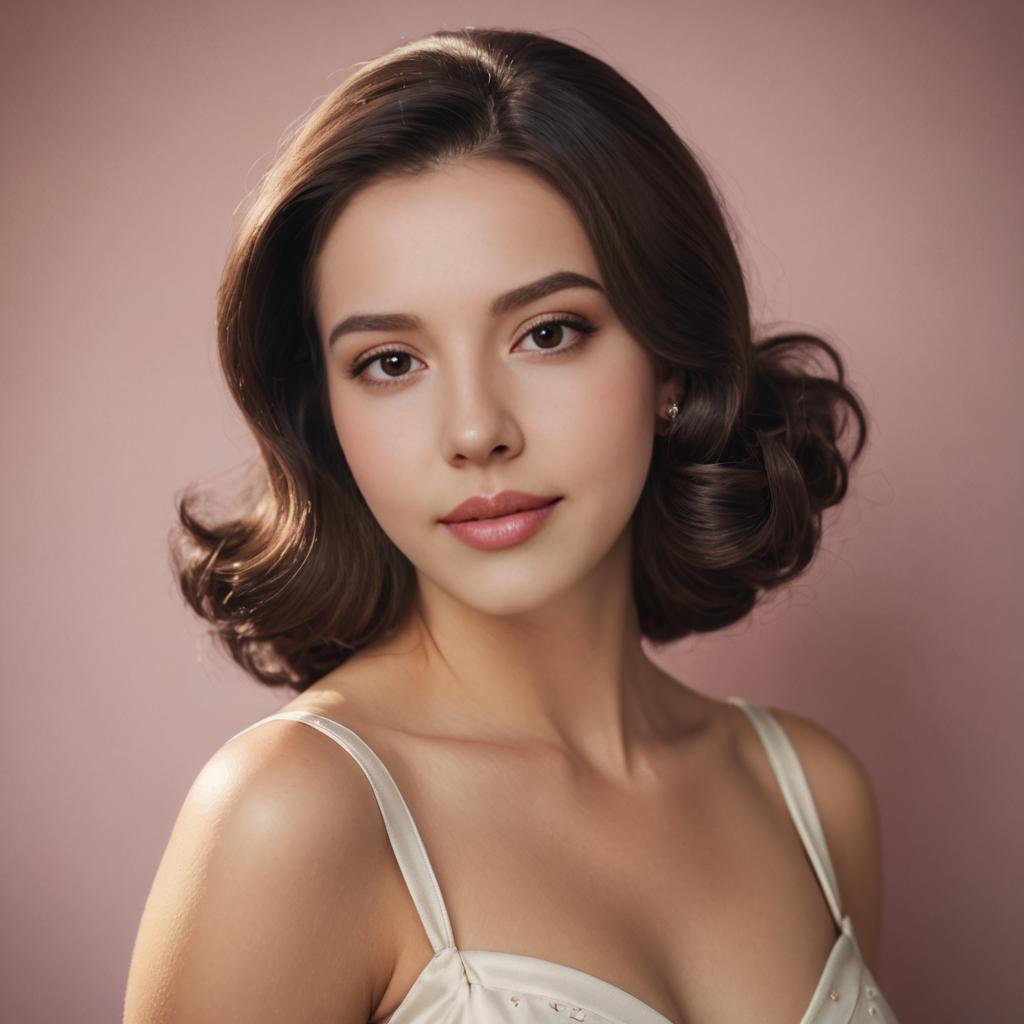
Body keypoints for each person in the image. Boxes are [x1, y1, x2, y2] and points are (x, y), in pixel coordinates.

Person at [123, 26, 899, 1024]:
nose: (477, 431)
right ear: (326, 410)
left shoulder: (814, 797)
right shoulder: (295, 814)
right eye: (390, 362)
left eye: (548, 332)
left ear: (670, 363)